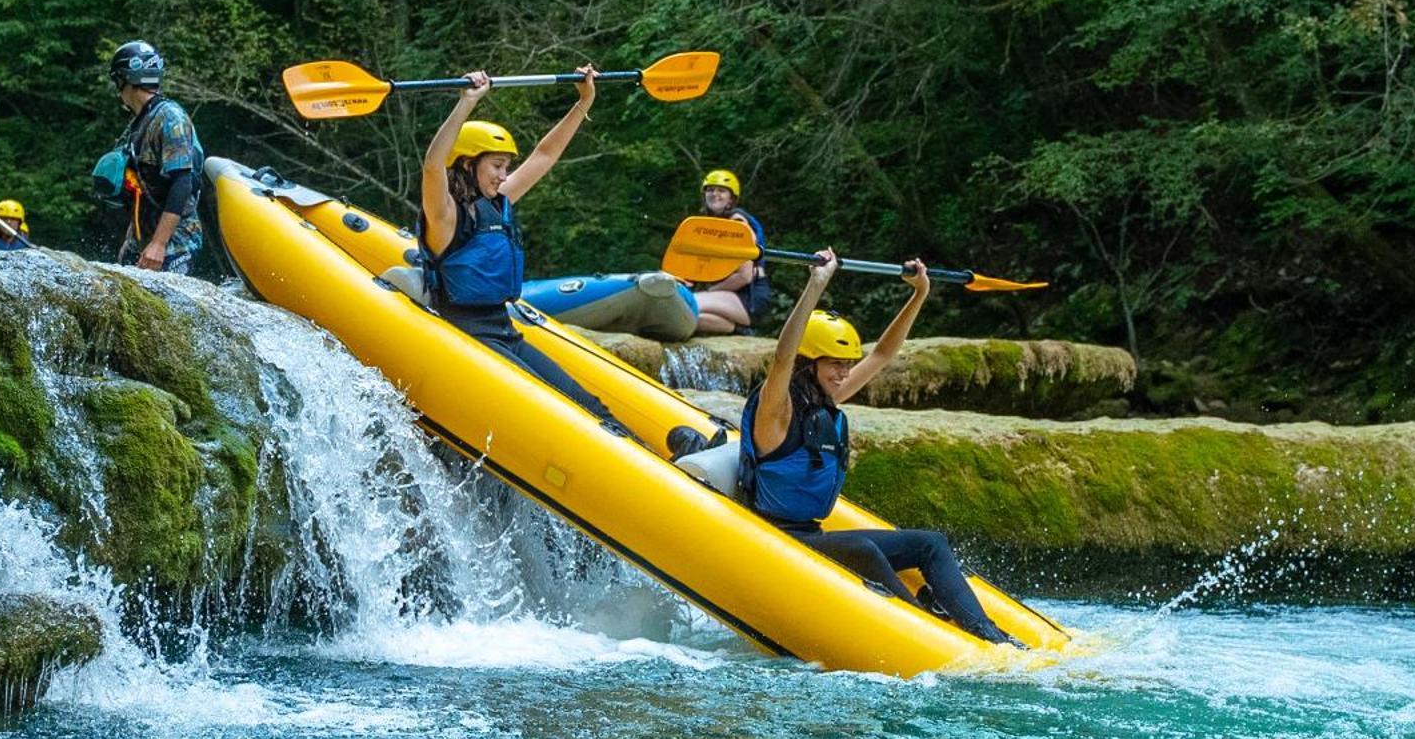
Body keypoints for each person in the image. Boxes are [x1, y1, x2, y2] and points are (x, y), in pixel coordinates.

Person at [421, 67, 720, 457]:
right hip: (466, 331)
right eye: (496, 165)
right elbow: (432, 165)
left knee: (590, 404)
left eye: (506, 166)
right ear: (466, 163)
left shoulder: (498, 202)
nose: (504, 174)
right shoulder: (445, 215)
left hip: (501, 327)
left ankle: (662, 459)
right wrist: (467, 103)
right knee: (561, 411)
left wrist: (583, 103)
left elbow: (544, 156)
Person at [739, 249, 1007, 643]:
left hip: (812, 531)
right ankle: (924, 628)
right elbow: (782, 357)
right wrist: (817, 282)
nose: (844, 373)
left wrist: (919, 294)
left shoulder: (828, 400)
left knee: (930, 543)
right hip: (778, 537)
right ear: (809, 363)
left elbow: (882, 353)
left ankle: (987, 634)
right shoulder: (775, 411)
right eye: (835, 364)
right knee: (863, 548)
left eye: (847, 364)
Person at [106, 40, 203, 273]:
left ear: (124, 80)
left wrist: (159, 244)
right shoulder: (139, 123)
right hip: (143, 237)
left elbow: (182, 183)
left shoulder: (170, 117)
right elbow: (143, 188)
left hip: (175, 242)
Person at [690, 168, 773, 336]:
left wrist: (709, 292)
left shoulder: (737, 222)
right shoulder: (713, 225)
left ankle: (741, 328)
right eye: (710, 190)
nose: (715, 194)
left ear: (731, 198)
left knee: (686, 304)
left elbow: (744, 276)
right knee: (687, 318)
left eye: (721, 191)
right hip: (733, 296)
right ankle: (739, 330)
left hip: (749, 296)